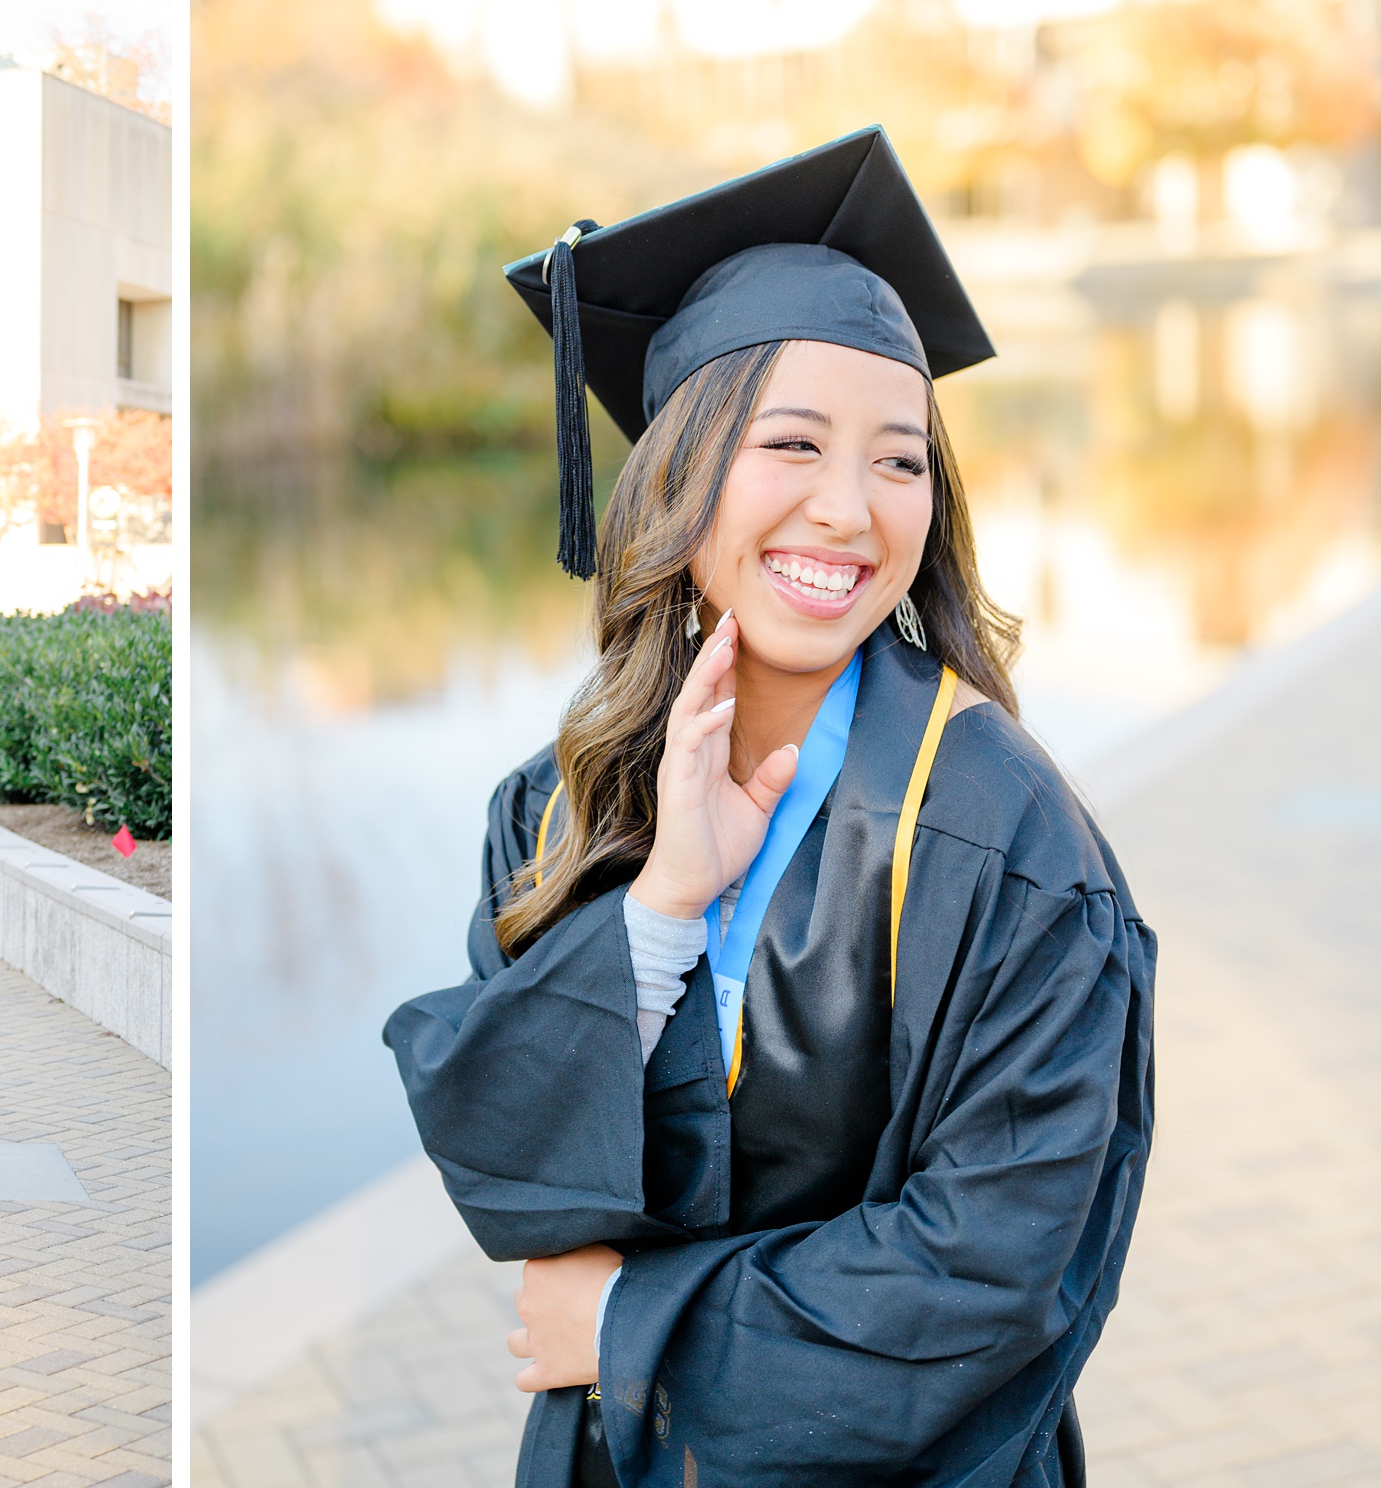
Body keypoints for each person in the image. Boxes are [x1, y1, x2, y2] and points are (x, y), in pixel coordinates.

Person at [385, 129, 1154, 1487]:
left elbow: (999, 1271)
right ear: (679, 472)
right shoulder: (561, 806)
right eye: (789, 444)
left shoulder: (1012, 843)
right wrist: (668, 902)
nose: (850, 511)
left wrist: (633, 1325)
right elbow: (507, 1167)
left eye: (901, 461)